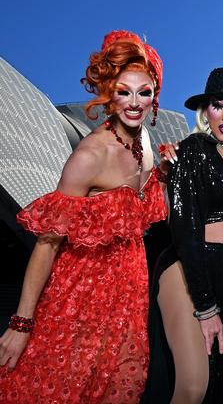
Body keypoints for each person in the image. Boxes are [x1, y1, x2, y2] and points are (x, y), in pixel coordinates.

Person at [0, 30, 167, 403]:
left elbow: (138, 207)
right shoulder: (90, 156)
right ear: (109, 93)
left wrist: (164, 173)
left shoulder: (146, 146)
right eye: (124, 91)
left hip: (128, 297)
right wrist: (22, 323)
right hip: (80, 299)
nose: (135, 103)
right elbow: (46, 245)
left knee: (118, 387)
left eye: (145, 92)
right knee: (58, 388)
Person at [143, 67, 223, 404]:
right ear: (205, 111)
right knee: (193, 386)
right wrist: (206, 305)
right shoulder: (194, 149)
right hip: (193, 266)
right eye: (218, 105)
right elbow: (184, 227)